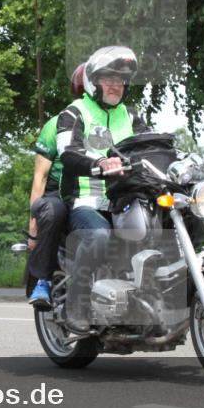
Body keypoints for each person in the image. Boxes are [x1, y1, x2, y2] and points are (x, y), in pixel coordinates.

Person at [57, 46, 149, 334]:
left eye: (120, 81)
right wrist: (98, 161)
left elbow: (151, 148)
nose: (115, 85)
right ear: (93, 82)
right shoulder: (75, 112)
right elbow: (67, 153)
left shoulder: (132, 116)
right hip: (87, 201)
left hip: (126, 200)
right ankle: (77, 304)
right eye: (109, 79)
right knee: (98, 236)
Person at [26, 63, 85, 310]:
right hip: (61, 193)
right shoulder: (57, 123)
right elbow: (40, 176)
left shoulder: (117, 120)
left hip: (101, 191)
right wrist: (33, 226)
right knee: (52, 211)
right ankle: (42, 280)